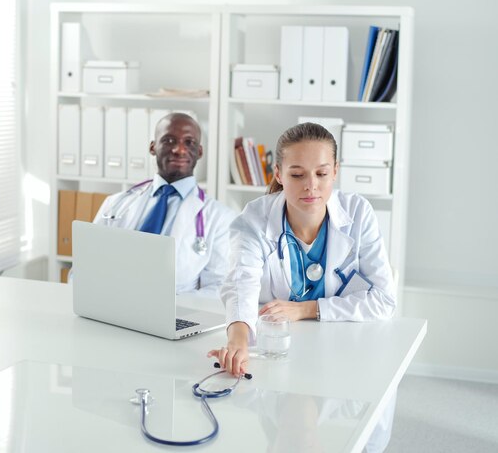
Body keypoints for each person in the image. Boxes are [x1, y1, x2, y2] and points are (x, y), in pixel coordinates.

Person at [208, 122, 396, 451]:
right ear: (278, 173)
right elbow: (241, 281)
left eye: (322, 173)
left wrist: (307, 309)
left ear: (335, 171)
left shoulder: (357, 213)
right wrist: (237, 338)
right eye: (297, 175)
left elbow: (383, 299)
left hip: (343, 347)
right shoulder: (254, 218)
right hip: (276, 349)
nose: (311, 186)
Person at [93, 112, 236, 296]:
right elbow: (87, 265)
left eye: (189, 142)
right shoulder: (115, 203)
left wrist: (165, 306)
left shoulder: (220, 218)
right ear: (152, 147)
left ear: (199, 152)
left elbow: (218, 288)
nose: (179, 150)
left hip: (175, 314)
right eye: (169, 141)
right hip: (111, 304)